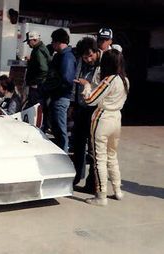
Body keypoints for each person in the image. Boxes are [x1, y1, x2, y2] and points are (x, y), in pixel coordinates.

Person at [76, 49, 129, 206]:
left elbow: (91, 100)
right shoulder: (125, 80)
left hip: (102, 118)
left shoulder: (108, 80)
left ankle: (101, 195)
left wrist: (86, 86)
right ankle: (118, 190)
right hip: (116, 118)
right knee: (112, 156)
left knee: (99, 158)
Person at [72, 37, 103, 192]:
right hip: (80, 108)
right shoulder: (81, 63)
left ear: (96, 51)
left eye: (91, 55)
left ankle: (92, 184)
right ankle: (76, 176)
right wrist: (73, 103)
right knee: (78, 145)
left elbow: (101, 89)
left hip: (95, 110)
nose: (89, 59)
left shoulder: (104, 64)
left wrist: (87, 84)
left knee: (93, 148)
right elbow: (75, 82)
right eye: (85, 57)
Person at [41, 28, 76, 152]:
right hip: (57, 97)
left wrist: (52, 86)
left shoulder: (66, 57)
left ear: (58, 42)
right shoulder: (61, 56)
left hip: (61, 97)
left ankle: (63, 157)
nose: (52, 44)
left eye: (53, 41)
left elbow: (66, 79)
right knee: (57, 129)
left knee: (61, 130)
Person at [24, 31, 51, 107]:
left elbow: (44, 69)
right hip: (41, 85)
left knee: (35, 108)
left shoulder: (38, 51)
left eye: (29, 41)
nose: (28, 44)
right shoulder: (41, 49)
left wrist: (35, 82)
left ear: (34, 40)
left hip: (38, 86)